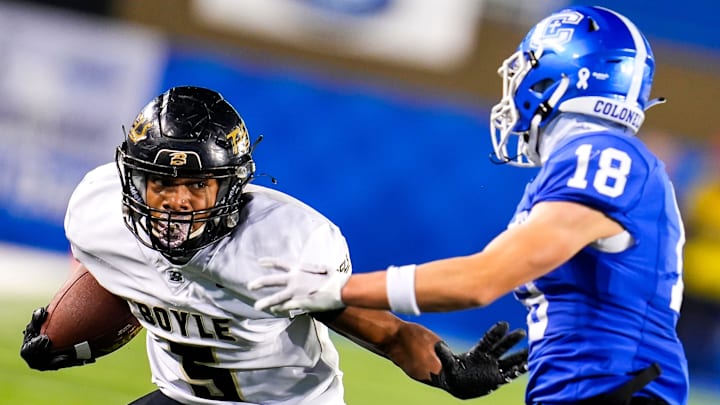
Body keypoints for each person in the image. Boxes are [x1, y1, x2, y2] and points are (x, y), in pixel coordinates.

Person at [248, 6, 690, 405]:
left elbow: (481, 280)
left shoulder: (601, 156)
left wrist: (334, 290)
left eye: (528, 70)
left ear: (558, 77)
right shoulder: (596, 161)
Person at [19, 85, 528, 404]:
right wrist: (67, 325)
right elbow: (101, 262)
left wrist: (450, 372)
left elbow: (389, 336)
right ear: (132, 181)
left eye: (198, 186)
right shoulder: (98, 210)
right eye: (161, 184)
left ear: (230, 187)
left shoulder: (280, 246)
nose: (176, 202)